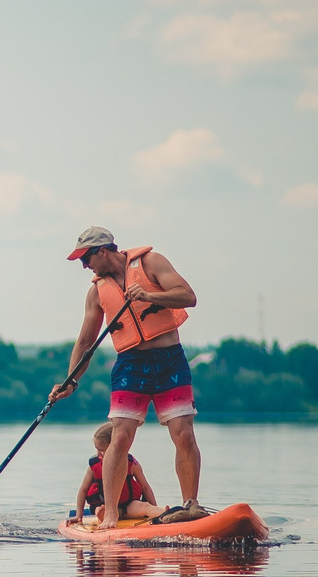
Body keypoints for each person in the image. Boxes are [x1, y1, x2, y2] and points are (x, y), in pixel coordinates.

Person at [47, 226, 207, 527]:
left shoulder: (152, 263)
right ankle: (109, 515)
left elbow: (189, 296)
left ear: (103, 251)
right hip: (130, 364)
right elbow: (85, 343)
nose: (85, 266)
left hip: (169, 359)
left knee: (184, 434)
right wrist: (70, 382)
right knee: (119, 438)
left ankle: (190, 506)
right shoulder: (96, 292)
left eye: (86, 258)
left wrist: (147, 294)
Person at [74, 421, 158, 526]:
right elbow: (83, 490)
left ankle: (163, 513)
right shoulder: (93, 466)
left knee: (144, 507)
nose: (98, 454)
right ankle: (102, 516)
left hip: (129, 506)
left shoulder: (132, 464)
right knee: (99, 509)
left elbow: (145, 487)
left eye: (102, 450)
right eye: (97, 449)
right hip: (104, 506)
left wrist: (154, 506)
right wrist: (79, 515)